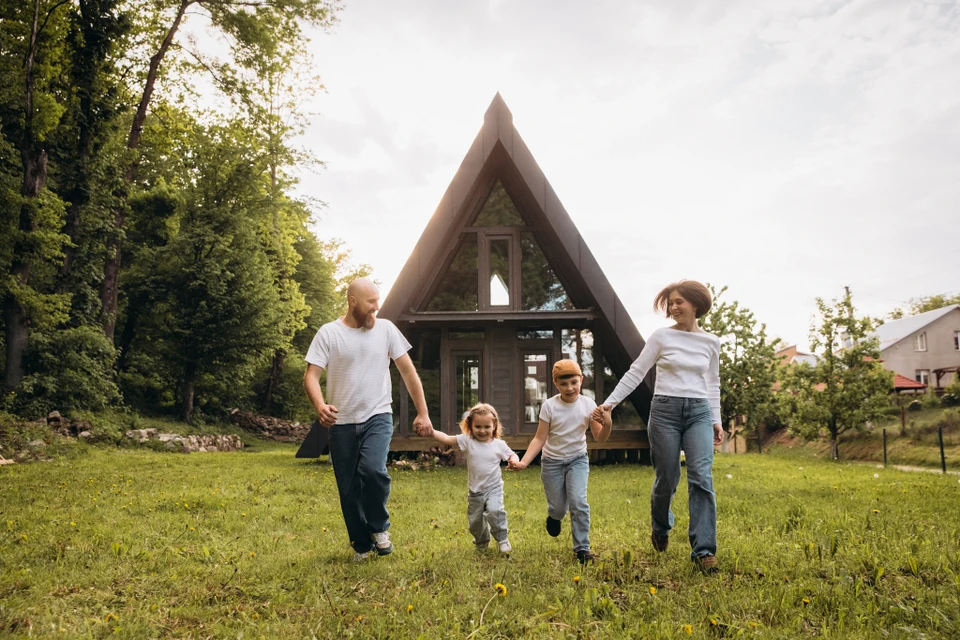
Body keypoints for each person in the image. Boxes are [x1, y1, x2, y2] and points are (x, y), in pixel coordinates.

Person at [592, 279, 723, 572]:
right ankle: (661, 526)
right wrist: (610, 403)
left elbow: (712, 382)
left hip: (699, 411)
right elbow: (636, 371)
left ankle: (704, 551)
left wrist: (716, 418)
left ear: (696, 304)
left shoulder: (711, 342)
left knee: (702, 477)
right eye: (670, 303)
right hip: (665, 410)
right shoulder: (661, 337)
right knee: (668, 476)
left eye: (679, 302)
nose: (673, 307)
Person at [303, 277, 433, 562]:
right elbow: (311, 376)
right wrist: (320, 405)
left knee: (374, 471)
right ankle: (361, 546)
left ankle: (378, 528)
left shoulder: (386, 330)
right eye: (371, 302)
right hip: (341, 422)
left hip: (378, 415)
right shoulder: (329, 333)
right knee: (348, 488)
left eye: (378, 300)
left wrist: (422, 413)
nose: (377, 307)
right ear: (352, 302)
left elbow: (408, 372)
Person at [508, 359, 611, 564]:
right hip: (552, 462)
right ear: (556, 384)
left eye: (574, 382)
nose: (570, 388)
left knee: (578, 502)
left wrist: (607, 423)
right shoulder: (550, 406)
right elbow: (540, 438)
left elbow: (599, 437)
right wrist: (524, 462)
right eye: (564, 384)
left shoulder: (589, 405)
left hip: (578, 460)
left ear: (581, 380)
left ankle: (582, 549)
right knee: (558, 509)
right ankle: (554, 517)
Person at [417, 403, 519, 555]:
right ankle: (482, 541)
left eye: (486, 426)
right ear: (470, 425)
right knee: (475, 523)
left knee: (495, 511)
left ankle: (502, 539)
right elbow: (446, 438)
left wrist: (514, 461)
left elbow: (511, 454)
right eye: (478, 426)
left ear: (494, 425)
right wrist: (431, 432)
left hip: (494, 489)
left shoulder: (499, 444)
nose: (482, 431)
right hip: (475, 492)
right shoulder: (467, 440)